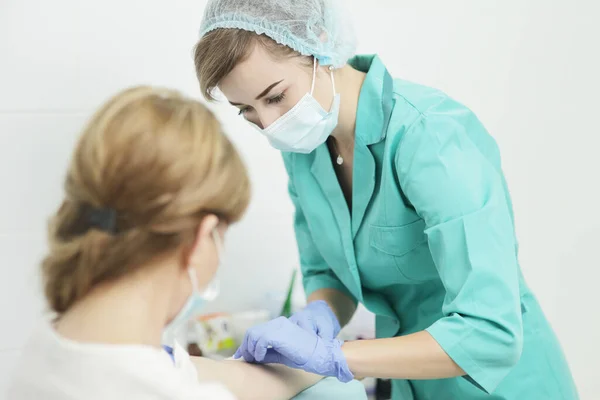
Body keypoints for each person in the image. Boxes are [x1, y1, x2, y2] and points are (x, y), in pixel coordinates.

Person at [192, 1, 579, 399]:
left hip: (503, 385)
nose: (270, 126)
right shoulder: (304, 152)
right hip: (411, 382)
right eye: (248, 112)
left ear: (317, 44)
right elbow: (327, 271)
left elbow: (490, 331)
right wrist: (318, 315)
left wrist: (337, 356)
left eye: (274, 97)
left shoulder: (431, 137)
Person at [7, 86, 367, 400]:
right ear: (202, 236)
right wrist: (336, 358)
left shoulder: (52, 345)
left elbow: (231, 378)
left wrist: (316, 359)